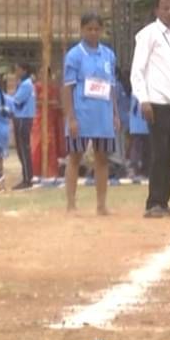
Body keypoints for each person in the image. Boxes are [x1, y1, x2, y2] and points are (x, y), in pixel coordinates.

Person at [131, 0, 170, 218]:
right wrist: (143, 99)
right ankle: (153, 202)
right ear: (156, 10)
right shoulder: (148, 34)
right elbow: (138, 70)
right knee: (159, 153)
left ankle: (164, 201)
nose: (169, 12)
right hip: (156, 101)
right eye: (165, 8)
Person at [63, 13, 119, 215]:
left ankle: (101, 205)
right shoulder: (74, 55)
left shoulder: (109, 55)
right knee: (75, 157)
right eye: (89, 29)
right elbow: (68, 87)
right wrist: (71, 117)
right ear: (82, 29)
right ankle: (71, 204)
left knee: (102, 158)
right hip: (82, 114)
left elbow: (111, 86)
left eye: (97, 29)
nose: (93, 33)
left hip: (102, 116)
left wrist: (115, 114)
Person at [10, 63, 37, 190]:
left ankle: (27, 179)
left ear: (24, 70)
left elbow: (16, 100)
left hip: (23, 118)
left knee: (23, 149)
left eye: (18, 69)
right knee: (22, 149)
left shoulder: (26, 85)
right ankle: (27, 176)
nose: (16, 72)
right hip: (24, 118)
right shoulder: (25, 83)